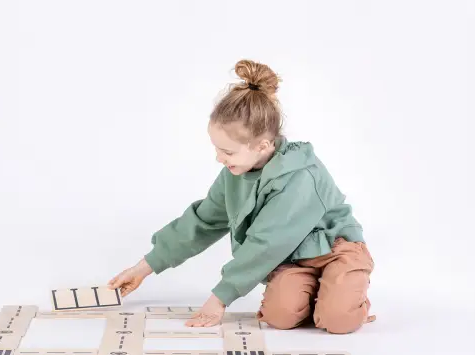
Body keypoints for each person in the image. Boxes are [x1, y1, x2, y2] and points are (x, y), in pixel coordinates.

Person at [108, 59, 375, 334]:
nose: (219, 158)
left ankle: (346, 296)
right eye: (217, 149)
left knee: (337, 320)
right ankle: (324, 295)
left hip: (335, 249)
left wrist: (219, 299)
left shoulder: (298, 176)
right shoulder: (235, 172)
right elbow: (202, 222)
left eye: (228, 152)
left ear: (263, 146)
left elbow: (266, 243)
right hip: (294, 257)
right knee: (279, 317)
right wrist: (143, 267)